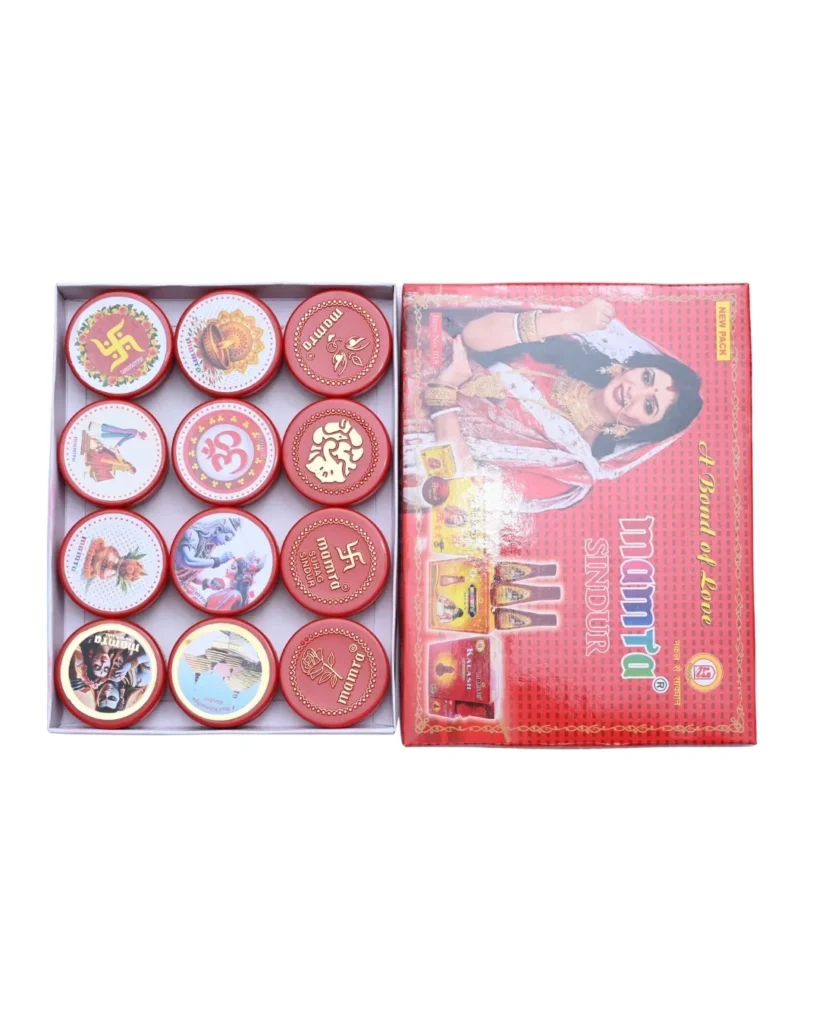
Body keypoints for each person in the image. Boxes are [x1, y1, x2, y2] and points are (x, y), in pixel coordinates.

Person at [404, 299, 703, 512]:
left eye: (649, 405)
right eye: (646, 377)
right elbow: (471, 335)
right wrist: (568, 321)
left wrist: (445, 391)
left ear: (645, 429)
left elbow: (465, 488)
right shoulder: (565, 353)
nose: (635, 392)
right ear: (632, 366)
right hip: (406, 369)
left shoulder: (569, 468)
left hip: (408, 447)